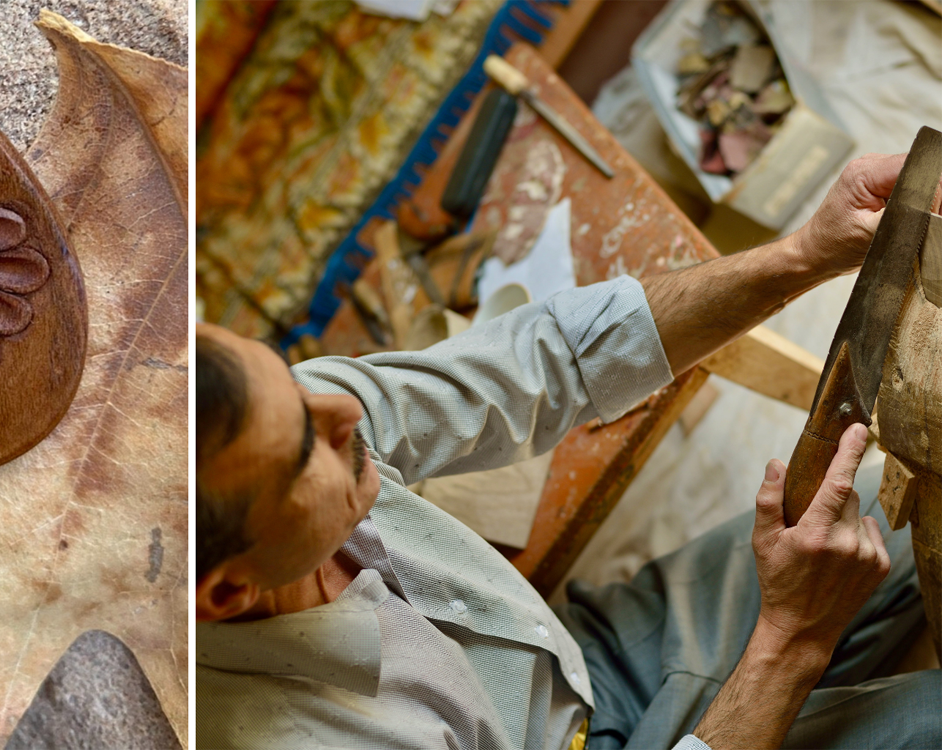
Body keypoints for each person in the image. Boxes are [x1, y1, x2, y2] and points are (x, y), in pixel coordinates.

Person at [196, 153, 942, 750]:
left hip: (589, 669)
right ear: (229, 593)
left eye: (294, 387)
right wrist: (792, 641)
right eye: (304, 447)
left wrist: (805, 254)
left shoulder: (289, 422)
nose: (347, 410)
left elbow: (547, 363)